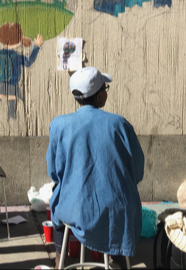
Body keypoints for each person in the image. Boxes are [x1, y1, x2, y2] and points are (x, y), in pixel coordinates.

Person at [47, 67, 145, 267]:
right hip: (118, 210)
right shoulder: (120, 124)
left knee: (56, 198)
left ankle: (60, 260)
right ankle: (118, 260)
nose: (106, 92)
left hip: (75, 209)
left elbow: (54, 172)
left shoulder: (59, 125)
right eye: (105, 88)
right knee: (123, 204)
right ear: (99, 95)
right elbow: (137, 170)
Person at [0, 22, 43, 119]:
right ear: (18, 41)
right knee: (12, 102)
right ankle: (11, 118)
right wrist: (37, 46)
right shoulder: (17, 56)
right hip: (12, 83)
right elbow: (29, 62)